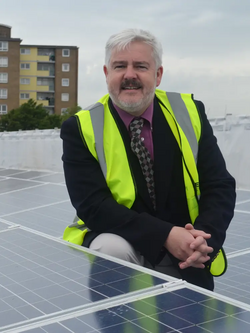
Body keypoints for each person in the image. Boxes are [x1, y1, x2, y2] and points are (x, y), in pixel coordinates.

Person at [60, 28, 236, 291]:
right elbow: (92, 205)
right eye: (120, 66)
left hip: (186, 251)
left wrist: (203, 239)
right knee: (109, 249)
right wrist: (164, 235)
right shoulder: (81, 127)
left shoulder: (189, 112)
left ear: (158, 75)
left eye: (140, 66)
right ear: (107, 74)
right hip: (125, 241)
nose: (129, 75)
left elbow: (219, 185)